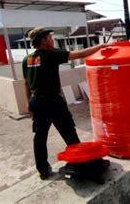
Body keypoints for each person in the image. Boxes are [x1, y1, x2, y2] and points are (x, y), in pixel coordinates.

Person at [23, 27, 107, 180]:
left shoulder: (27, 59)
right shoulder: (51, 54)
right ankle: (81, 164)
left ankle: (43, 170)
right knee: (69, 132)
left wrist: (29, 102)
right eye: (49, 37)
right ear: (42, 40)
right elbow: (80, 54)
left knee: (40, 136)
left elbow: (26, 84)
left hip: (36, 101)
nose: (52, 40)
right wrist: (101, 46)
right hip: (53, 101)